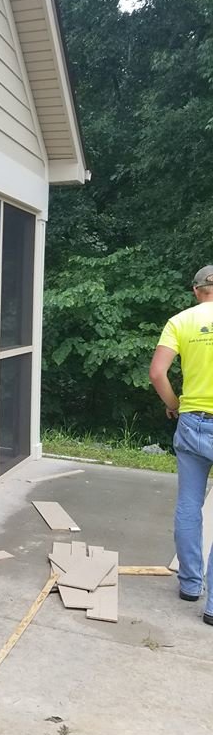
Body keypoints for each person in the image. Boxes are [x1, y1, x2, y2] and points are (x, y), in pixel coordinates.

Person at [150, 266, 213, 624]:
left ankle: (191, 584)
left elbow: (157, 372)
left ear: (195, 291)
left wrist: (174, 404)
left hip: (192, 422)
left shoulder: (180, 321)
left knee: (189, 504)